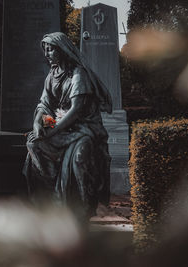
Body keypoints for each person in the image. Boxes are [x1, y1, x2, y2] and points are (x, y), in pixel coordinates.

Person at [22, 32, 112, 220]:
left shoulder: (78, 74)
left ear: (62, 50)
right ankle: (52, 192)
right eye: (45, 49)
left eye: (51, 49)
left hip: (84, 129)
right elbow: (43, 105)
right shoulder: (52, 75)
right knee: (33, 143)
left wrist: (51, 131)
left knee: (79, 158)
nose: (47, 53)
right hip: (62, 127)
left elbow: (76, 110)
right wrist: (37, 123)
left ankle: (84, 206)